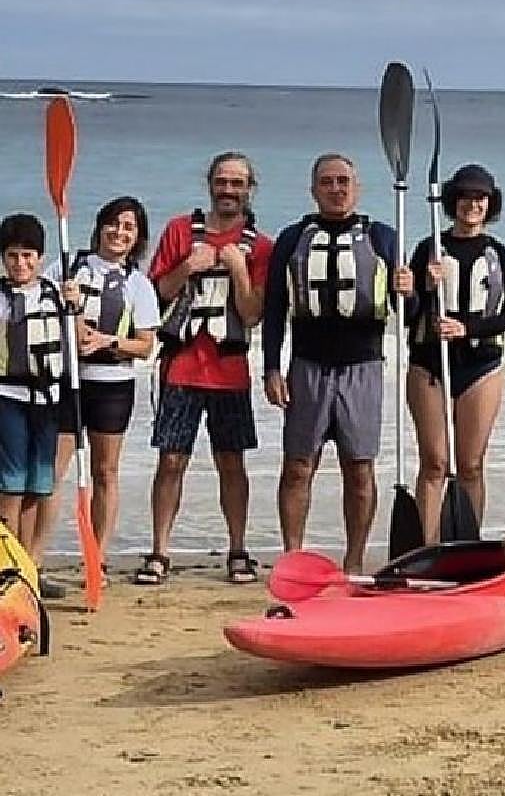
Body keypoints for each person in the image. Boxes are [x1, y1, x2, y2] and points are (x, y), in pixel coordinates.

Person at [138, 151, 272, 585]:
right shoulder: (179, 231)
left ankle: (238, 550)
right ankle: (159, 552)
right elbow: (156, 294)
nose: (228, 189)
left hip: (230, 370)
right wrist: (187, 267)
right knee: (171, 460)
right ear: (210, 184)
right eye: (222, 181)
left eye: (237, 182)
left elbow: (252, 314)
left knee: (231, 462)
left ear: (250, 188)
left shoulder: (261, 246)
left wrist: (238, 271)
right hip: (181, 368)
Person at [263, 154, 396, 573]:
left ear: (356, 188)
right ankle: (293, 556)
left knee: (359, 469)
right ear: (314, 189)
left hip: (363, 367)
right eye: (327, 182)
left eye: (343, 181)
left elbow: (409, 307)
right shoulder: (292, 238)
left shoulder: (383, 237)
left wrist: (411, 287)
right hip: (307, 366)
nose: (336, 189)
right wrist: (271, 367)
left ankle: (354, 561)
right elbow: (274, 307)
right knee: (299, 465)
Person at [40, 197, 159, 588]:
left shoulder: (138, 285)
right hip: (67, 381)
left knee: (104, 472)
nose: (119, 232)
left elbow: (145, 345)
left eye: (129, 227)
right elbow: (36, 312)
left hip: (112, 387)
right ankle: (34, 559)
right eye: (113, 223)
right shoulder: (68, 268)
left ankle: (98, 559)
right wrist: (66, 308)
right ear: (100, 226)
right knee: (52, 474)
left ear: (138, 237)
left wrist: (107, 341)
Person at [394, 164, 505, 542]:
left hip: (480, 367)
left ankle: (467, 545)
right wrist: (418, 289)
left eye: (480, 197)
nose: (472, 204)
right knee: (434, 463)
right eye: (465, 196)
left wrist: (468, 329)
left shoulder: (496, 253)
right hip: (430, 365)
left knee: (471, 466)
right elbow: (407, 314)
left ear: (490, 203)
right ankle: (427, 546)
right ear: (452, 200)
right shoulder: (429, 247)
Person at [0, 214, 71, 598]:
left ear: (41, 258)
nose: (21, 264)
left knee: (36, 489)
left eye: (28, 256)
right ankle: (7, 567)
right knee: (9, 489)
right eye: (12, 256)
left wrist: (74, 305)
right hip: (7, 400)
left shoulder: (58, 295)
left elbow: (75, 337)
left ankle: (26, 566)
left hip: (47, 402)